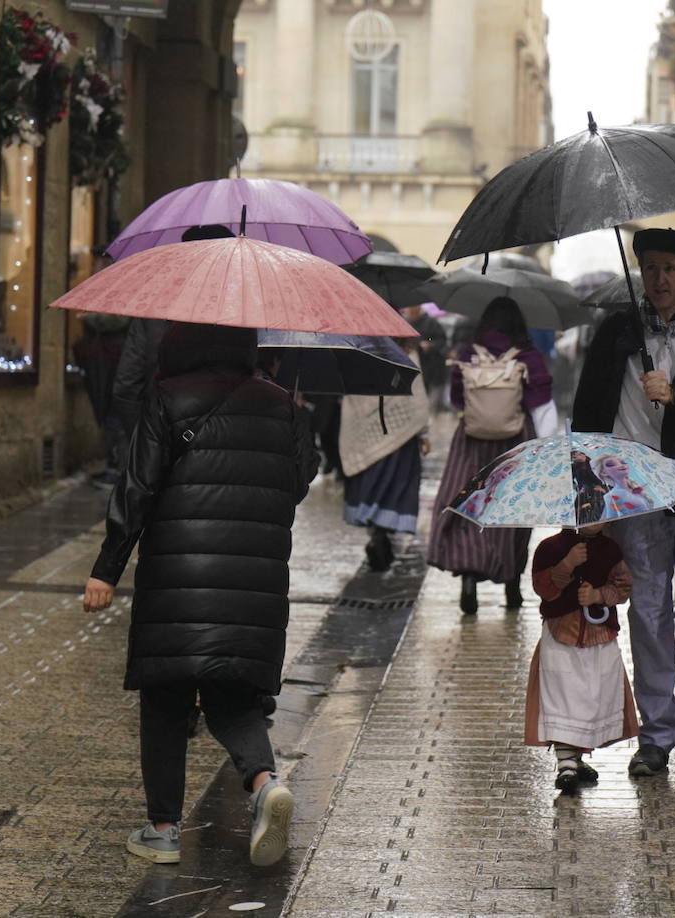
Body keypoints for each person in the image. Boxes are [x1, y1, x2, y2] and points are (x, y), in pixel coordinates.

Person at [82, 322, 319, 868]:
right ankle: (264, 786)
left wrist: (106, 569)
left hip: (175, 576)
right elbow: (298, 484)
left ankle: (163, 830)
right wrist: (289, 408)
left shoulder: (167, 397)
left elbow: (136, 487)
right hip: (255, 579)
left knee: (166, 700)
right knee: (233, 699)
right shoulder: (281, 403)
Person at [571, 227, 675, 778]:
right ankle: (657, 733)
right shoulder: (617, 331)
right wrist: (588, 489)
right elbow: (588, 412)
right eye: (650, 268)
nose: (660, 279)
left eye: (670, 268)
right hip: (636, 497)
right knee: (648, 614)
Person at [427, 297, 557, 614]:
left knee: (469, 503)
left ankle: (469, 578)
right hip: (515, 443)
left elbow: (456, 400)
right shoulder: (528, 356)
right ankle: (511, 583)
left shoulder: (470, 354)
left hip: (471, 442)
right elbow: (542, 407)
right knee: (513, 510)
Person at [525, 521, 635, 794]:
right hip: (561, 633)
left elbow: (623, 586)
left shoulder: (610, 549)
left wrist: (599, 595)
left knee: (592, 694)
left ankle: (576, 755)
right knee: (563, 694)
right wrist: (566, 565)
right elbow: (543, 588)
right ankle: (566, 762)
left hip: (599, 635)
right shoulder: (550, 548)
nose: (593, 521)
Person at [110, 225, 236, 444]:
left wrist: (147, 444)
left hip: (165, 445)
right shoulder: (244, 311)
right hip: (229, 448)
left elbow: (126, 385)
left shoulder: (154, 310)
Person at [338, 344, 430, 572]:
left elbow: (349, 395)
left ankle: (375, 532)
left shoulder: (356, 349)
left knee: (371, 483)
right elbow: (416, 396)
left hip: (365, 434)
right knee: (395, 486)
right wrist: (424, 433)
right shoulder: (406, 351)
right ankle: (383, 532)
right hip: (401, 435)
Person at [72, 310, 130, 487]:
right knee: (112, 419)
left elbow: (119, 319)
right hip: (110, 367)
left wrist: (89, 317)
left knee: (116, 420)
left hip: (116, 368)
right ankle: (116, 468)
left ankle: (117, 470)